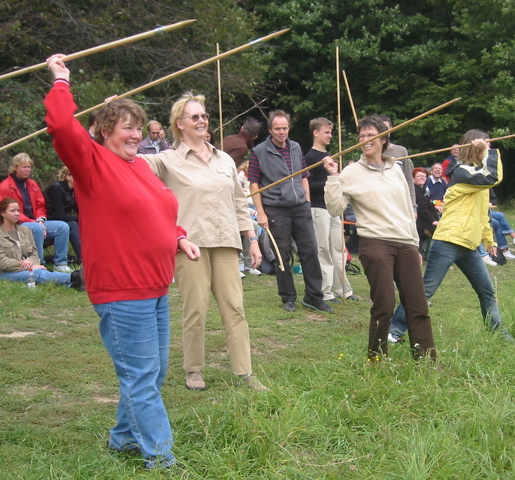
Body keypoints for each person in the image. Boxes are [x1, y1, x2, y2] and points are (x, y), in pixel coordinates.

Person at [45, 54, 200, 470]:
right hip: (120, 289)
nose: (136, 135)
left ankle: (120, 440)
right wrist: (62, 80)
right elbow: (61, 125)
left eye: (138, 128)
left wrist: (179, 238)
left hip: (154, 285)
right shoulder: (92, 165)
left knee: (152, 372)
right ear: (105, 132)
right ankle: (161, 459)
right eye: (127, 128)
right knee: (141, 376)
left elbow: (158, 213)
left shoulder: (140, 169)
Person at [140, 92, 268, 393]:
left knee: (235, 308)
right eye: (194, 116)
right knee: (195, 309)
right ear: (179, 123)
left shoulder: (224, 159)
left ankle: (244, 372)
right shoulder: (166, 160)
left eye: (204, 115)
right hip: (190, 245)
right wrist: (111, 123)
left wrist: (251, 239)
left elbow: (239, 203)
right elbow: (128, 161)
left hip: (226, 242)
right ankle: (194, 369)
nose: (202, 120)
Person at [324, 115, 436, 361]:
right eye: (361, 136)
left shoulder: (395, 168)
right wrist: (333, 177)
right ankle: (376, 358)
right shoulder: (352, 172)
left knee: (417, 305)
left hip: (405, 242)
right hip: (375, 243)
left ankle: (426, 360)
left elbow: (408, 209)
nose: (365, 140)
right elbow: (334, 208)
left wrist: (415, 245)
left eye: (371, 135)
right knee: (384, 305)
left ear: (384, 139)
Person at [390, 130, 512, 343]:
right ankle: (394, 330)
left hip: (468, 245)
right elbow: (494, 177)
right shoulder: (462, 172)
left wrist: (489, 240)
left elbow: (483, 213)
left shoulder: (478, 177)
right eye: (484, 145)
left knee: (487, 292)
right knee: (425, 290)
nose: (488, 149)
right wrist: (490, 152)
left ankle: (498, 334)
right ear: (475, 148)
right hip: (448, 240)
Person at [248, 110, 332, 313]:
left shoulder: (295, 147)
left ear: (288, 129)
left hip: (300, 207)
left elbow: (303, 175)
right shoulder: (259, 152)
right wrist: (260, 212)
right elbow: (254, 184)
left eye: (284, 128)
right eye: (277, 128)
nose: (281, 132)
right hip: (276, 209)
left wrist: (307, 199)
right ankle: (288, 297)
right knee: (282, 254)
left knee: (310, 250)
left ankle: (314, 296)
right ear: (270, 130)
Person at [306, 117, 356, 303]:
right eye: (326, 132)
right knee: (323, 250)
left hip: (334, 209)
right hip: (318, 208)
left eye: (331, 132)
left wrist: (336, 177)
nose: (330, 135)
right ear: (316, 133)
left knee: (339, 249)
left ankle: (343, 290)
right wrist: (331, 177)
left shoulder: (328, 157)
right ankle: (325, 292)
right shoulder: (310, 158)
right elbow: (309, 186)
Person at [0, 153, 72, 272]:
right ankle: (39, 263)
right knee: (36, 228)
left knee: (62, 226)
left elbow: (40, 204)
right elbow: (10, 212)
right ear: (15, 167)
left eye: (29, 167)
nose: (28, 170)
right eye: (24, 167)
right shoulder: (5, 186)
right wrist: (34, 222)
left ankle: (60, 263)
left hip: (36, 221)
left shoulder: (32, 184)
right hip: (17, 223)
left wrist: (40, 219)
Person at [0, 197, 84, 289]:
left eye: (18, 210)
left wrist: (31, 263)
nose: (16, 213)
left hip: (27, 268)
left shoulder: (25, 230)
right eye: (12, 211)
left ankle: (73, 284)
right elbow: (3, 263)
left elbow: (34, 254)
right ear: (2, 213)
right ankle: (74, 277)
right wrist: (29, 266)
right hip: (6, 273)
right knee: (36, 273)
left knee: (37, 273)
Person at [44, 166, 81, 264]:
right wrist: (81, 219)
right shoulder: (57, 189)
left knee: (86, 223)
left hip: (61, 220)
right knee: (73, 224)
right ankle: (83, 258)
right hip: (49, 221)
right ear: (68, 176)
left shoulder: (74, 191)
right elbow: (61, 216)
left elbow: (80, 212)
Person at [378, 115, 416, 210]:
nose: (384, 132)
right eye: (380, 129)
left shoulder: (401, 151)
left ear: (391, 129)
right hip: (379, 203)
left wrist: (413, 207)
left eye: (386, 128)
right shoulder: (370, 153)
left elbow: (409, 180)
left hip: (399, 202)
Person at [413, 167, 439, 259]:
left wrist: (435, 207)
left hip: (427, 220)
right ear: (413, 178)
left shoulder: (423, 190)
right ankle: (434, 255)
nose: (422, 178)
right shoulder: (414, 191)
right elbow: (422, 210)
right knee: (440, 231)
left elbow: (428, 204)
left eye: (424, 176)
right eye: (419, 176)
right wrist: (433, 221)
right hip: (421, 222)